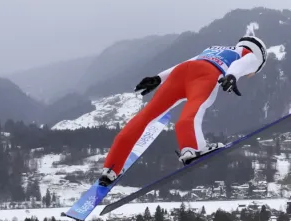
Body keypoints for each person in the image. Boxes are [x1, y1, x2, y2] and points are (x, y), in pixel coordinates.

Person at [97, 35, 268, 186]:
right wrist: (232, 75)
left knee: (144, 117)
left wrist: (158, 78)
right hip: (206, 74)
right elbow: (242, 64)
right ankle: (191, 149)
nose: (251, 74)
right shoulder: (251, 56)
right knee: (194, 110)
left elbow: (187, 63)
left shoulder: (214, 48)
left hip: (180, 74)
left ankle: (110, 168)